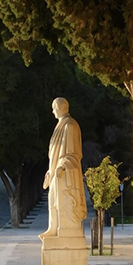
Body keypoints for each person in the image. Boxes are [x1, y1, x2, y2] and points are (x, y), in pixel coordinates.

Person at [39, 97, 87, 238]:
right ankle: (53, 227)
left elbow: (72, 153)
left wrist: (62, 165)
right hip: (55, 170)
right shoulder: (60, 125)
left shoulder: (69, 126)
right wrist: (50, 170)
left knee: (60, 199)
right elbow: (55, 152)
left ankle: (62, 227)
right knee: (52, 199)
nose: (52, 111)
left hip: (64, 171)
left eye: (54, 108)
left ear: (59, 108)